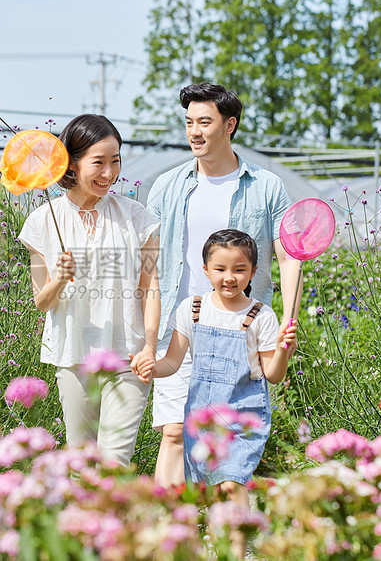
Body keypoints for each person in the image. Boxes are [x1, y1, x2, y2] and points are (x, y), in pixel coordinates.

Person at [145, 82, 301, 487]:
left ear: (229, 125)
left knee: (228, 441)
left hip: (240, 332)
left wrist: (288, 319)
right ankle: (168, 535)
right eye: (189, 123)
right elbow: (148, 259)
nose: (195, 132)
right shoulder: (167, 186)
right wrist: (145, 332)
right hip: (180, 327)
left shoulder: (266, 187)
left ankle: (221, 528)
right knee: (175, 432)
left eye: (205, 122)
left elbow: (288, 254)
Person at [134, 229, 297, 557]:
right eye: (220, 269)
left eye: (239, 269)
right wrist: (151, 365)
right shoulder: (192, 308)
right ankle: (200, 546)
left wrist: (283, 349)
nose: (229, 277)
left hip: (242, 416)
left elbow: (273, 376)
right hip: (201, 416)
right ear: (205, 269)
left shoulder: (261, 316)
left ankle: (236, 551)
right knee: (206, 490)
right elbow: (172, 362)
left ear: (253, 272)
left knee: (231, 481)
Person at [18, 114, 160, 467]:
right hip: (73, 354)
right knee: (82, 465)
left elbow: (150, 286)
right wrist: (60, 278)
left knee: (114, 463)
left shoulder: (137, 218)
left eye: (116, 162)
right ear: (72, 161)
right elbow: (42, 301)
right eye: (99, 162)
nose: (109, 174)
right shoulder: (41, 222)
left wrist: (150, 347)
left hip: (128, 357)